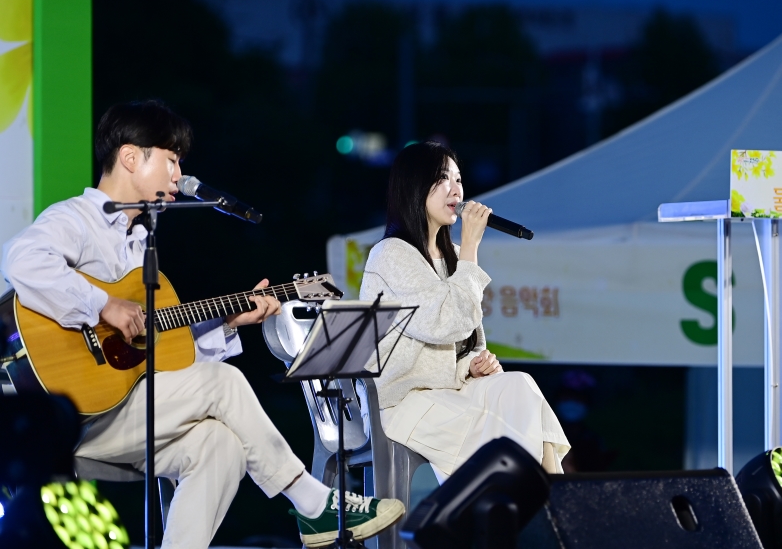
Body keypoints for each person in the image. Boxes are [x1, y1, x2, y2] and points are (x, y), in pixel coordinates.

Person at [0, 100, 404, 549]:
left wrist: (229, 322)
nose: (178, 176)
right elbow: (22, 260)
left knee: (221, 445)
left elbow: (165, 357)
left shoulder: (142, 244)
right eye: (171, 160)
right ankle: (313, 504)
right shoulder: (76, 218)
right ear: (132, 157)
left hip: (122, 412)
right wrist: (104, 306)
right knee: (224, 381)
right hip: (71, 414)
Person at [359, 141, 570, 481]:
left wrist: (473, 362)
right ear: (415, 185)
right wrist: (471, 247)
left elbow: (466, 338)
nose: (456, 189)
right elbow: (442, 324)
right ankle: (538, 507)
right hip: (403, 400)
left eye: (458, 179)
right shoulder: (391, 255)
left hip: (451, 390)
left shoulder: (455, 254)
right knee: (505, 438)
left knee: (520, 387)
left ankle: (552, 499)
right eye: (443, 178)